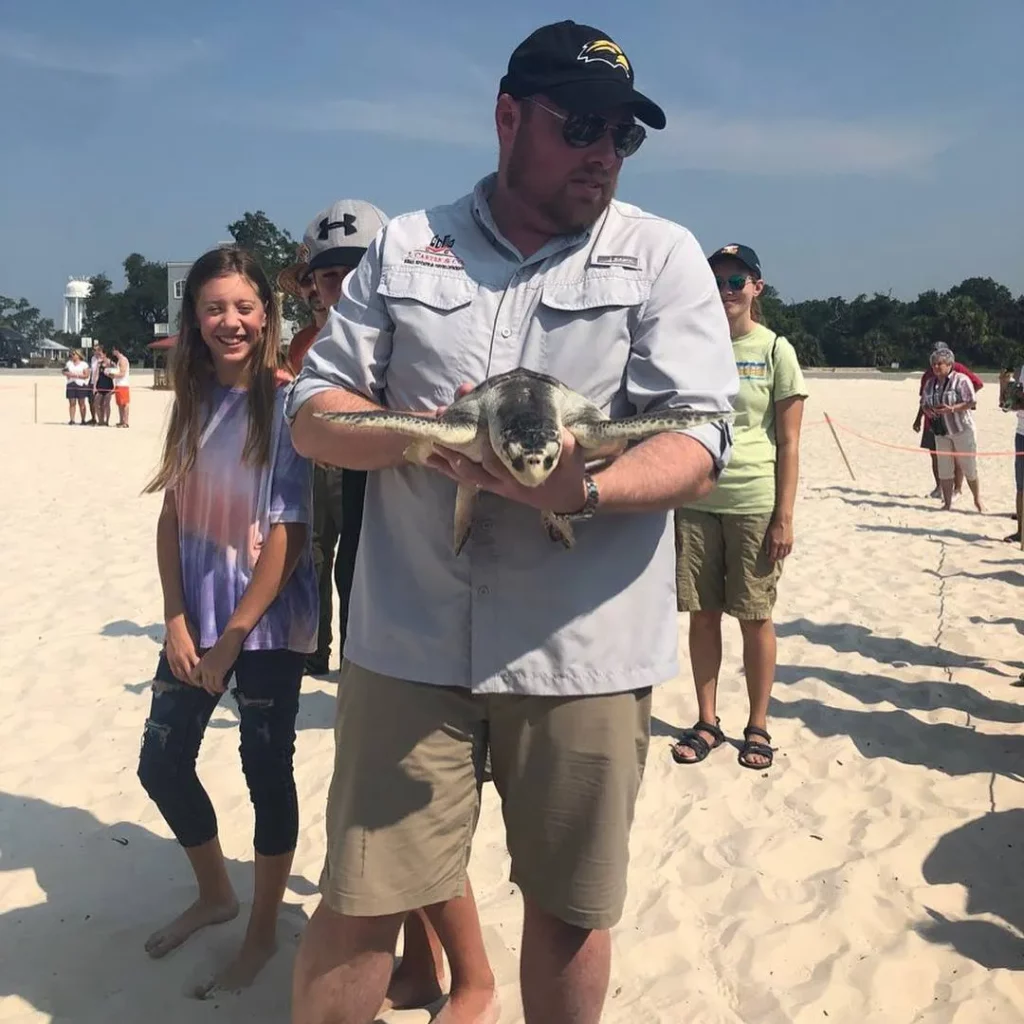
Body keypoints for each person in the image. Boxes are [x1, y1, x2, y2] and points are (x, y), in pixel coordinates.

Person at [285, 19, 738, 1024]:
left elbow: (702, 439)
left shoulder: (658, 256)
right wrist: (413, 440)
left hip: (584, 645)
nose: (602, 153)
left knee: (571, 910)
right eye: (581, 125)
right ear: (506, 116)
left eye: (624, 135)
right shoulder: (408, 246)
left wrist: (583, 491)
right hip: (408, 634)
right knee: (362, 896)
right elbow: (314, 409)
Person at [136, 246, 319, 999]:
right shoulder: (192, 395)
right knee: (162, 762)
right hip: (200, 613)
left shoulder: (287, 403)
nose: (230, 321)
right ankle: (217, 893)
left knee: (265, 771)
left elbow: (289, 532)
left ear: (266, 317)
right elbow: (172, 516)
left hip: (269, 623)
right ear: (196, 318)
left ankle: (263, 930)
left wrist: (235, 637)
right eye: (215, 308)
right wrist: (177, 620)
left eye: (244, 307)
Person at [670, 244, 808, 772]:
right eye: (718, 281)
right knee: (703, 616)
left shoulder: (775, 350)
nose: (726, 290)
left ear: (757, 288)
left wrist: (784, 516)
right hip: (698, 499)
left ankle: (758, 724)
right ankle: (708, 720)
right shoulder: (693, 346)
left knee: (755, 616)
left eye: (736, 281)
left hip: (754, 501)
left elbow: (790, 443)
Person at [290, 200, 387, 678]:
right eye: (329, 275)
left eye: (361, 268)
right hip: (341, 474)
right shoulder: (311, 344)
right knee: (332, 559)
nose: (346, 285)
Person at [914, 344, 983, 499]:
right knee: (936, 455)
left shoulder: (958, 369)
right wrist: (919, 418)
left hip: (957, 423)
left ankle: (958, 489)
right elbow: (923, 400)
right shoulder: (928, 375)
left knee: (959, 458)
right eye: (933, 358)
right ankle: (940, 487)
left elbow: (977, 386)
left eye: (938, 358)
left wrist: (957, 403)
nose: (935, 364)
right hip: (934, 423)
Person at [999, 362, 1024, 542]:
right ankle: (1021, 531)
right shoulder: (1022, 370)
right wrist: (1003, 384)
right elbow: (1005, 405)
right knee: (1021, 486)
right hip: (1022, 433)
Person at [63, 349, 90, 424]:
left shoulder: (84, 364)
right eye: (72, 354)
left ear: (78, 355)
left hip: (81, 384)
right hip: (71, 383)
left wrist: (76, 375)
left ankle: (83, 419)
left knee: (82, 403)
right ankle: (72, 419)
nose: (72, 355)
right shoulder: (69, 363)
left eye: (74, 354)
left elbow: (86, 375)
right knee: (72, 403)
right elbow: (64, 371)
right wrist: (67, 374)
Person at [91, 343, 115, 426]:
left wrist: (108, 373)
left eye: (101, 354)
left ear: (105, 354)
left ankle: (107, 421)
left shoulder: (111, 363)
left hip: (108, 385)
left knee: (106, 404)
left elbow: (114, 375)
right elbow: (96, 375)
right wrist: (94, 387)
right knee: (96, 403)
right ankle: (100, 420)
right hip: (100, 385)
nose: (99, 356)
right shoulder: (99, 363)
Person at [109, 343, 131, 427]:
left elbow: (122, 373)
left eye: (113, 350)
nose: (112, 351)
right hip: (118, 384)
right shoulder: (119, 360)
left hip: (123, 385)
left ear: (117, 350)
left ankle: (125, 422)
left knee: (125, 404)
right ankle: (121, 421)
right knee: (119, 404)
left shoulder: (123, 360)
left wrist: (113, 375)